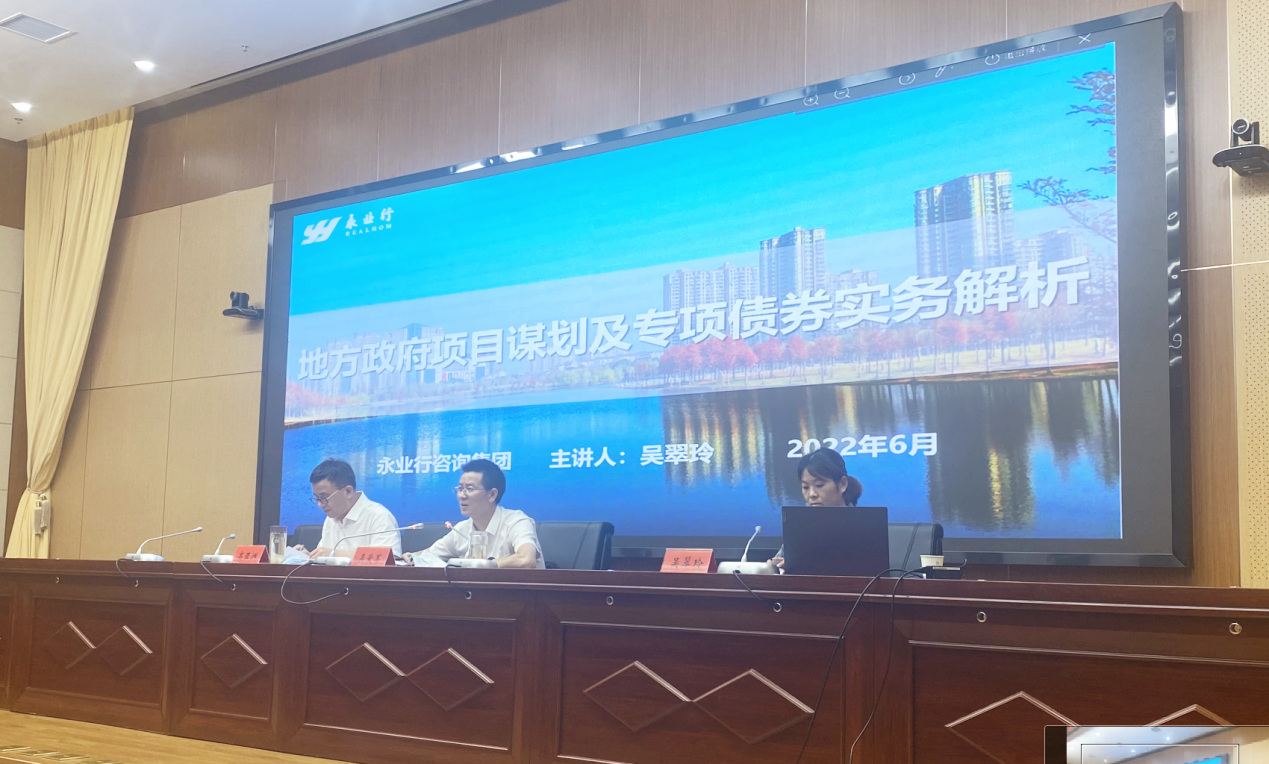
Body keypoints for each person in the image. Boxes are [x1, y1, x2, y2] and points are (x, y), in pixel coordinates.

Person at [414, 458, 544, 569]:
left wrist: (484, 565)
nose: (461, 495)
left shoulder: (516, 522)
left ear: (492, 494)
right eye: (460, 489)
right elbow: (426, 556)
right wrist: (411, 557)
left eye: (469, 489)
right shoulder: (461, 530)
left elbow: (526, 559)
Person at [770, 448, 863, 569]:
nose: (812, 494)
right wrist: (773, 568)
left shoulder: (863, 527)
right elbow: (775, 567)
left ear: (842, 484)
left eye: (819, 485)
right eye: (805, 487)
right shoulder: (801, 530)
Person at [300, 459, 403, 558]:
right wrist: (308, 557)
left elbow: (387, 559)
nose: (320, 504)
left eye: (324, 498)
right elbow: (324, 556)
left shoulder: (379, 516)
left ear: (348, 491)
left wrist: (334, 554)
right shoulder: (331, 519)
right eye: (317, 498)